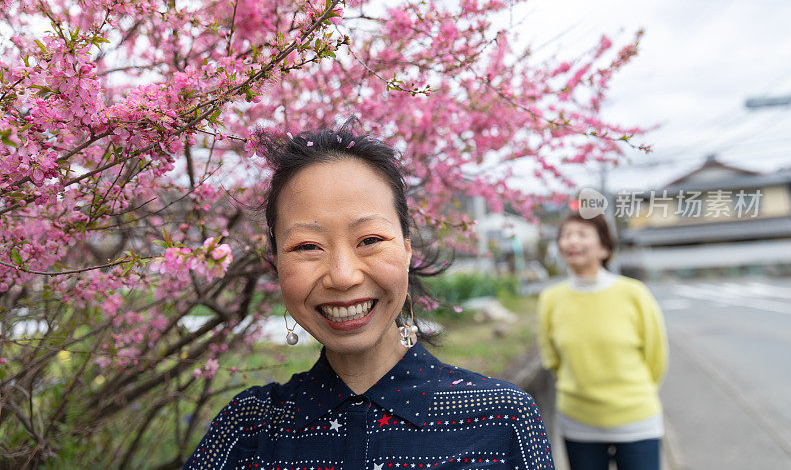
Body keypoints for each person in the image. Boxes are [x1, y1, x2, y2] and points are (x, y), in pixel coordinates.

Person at [184, 123, 554, 469]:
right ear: (277, 263)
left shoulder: (501, 419)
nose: (343, 277)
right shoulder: (246, 429)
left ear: (408, 250)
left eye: (370, 240)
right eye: (308, 246)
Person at [537, 212, 668, 470]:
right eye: (565, 235)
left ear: (605, 247)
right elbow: (551, 358)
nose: (571, 241)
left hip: (637, 420)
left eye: (581, 234)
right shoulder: (550, 299)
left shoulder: (634, 294)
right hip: (578, 422)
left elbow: (656, 357)